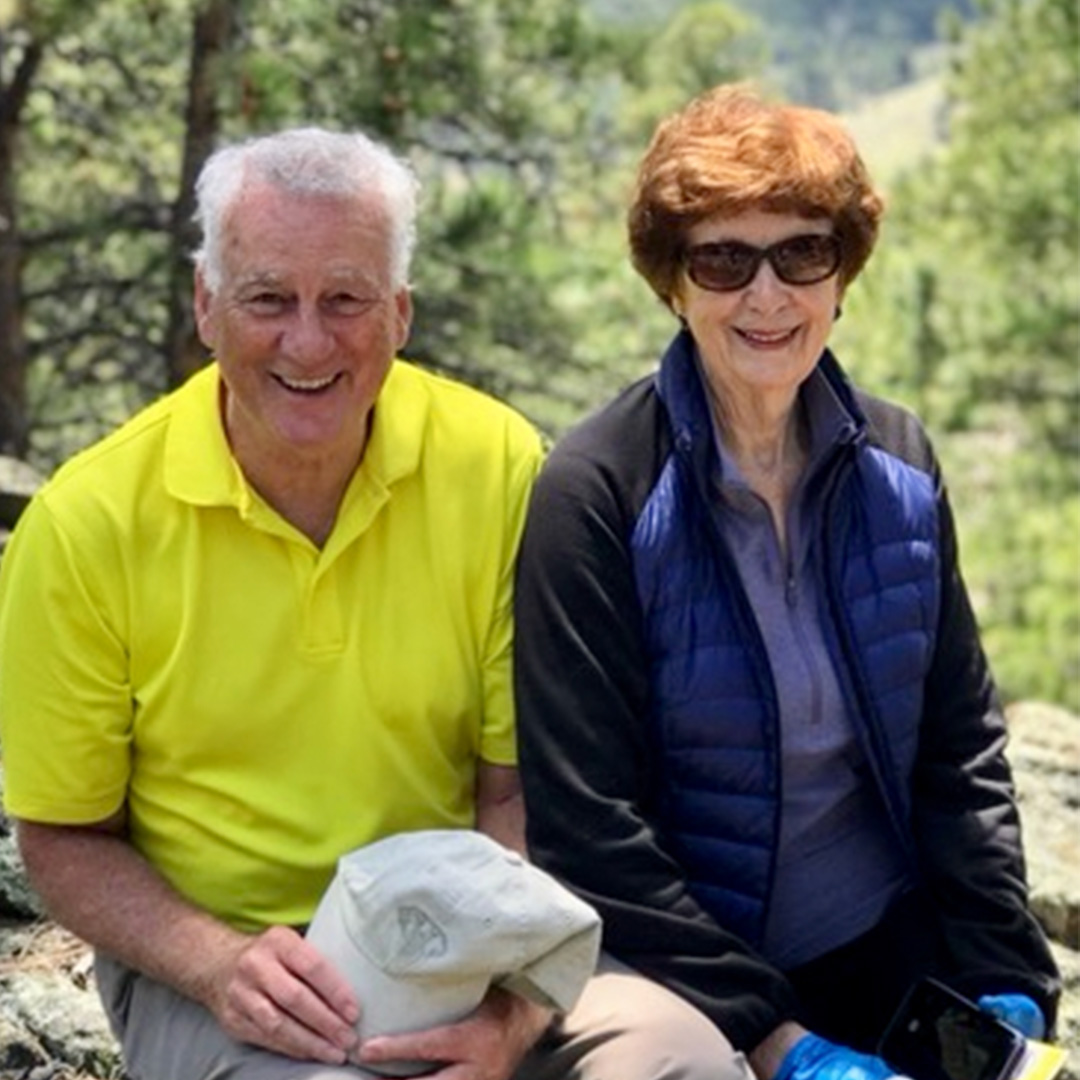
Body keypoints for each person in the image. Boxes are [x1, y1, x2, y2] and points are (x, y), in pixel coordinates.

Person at [0, 127, 741, 1080]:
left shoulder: (500, 467)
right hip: (229, 966)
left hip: (483, 936)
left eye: (345, 298)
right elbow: (61, 836)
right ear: (206, 305)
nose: (307, 341)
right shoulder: (87, 524)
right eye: (267, 298)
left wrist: (513, 1006)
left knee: (683, 1061)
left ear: (399, 312)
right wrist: (218, 964)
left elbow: (517, 791)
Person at [513, 83, 1061, 1080]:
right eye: (724, 259)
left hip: (886, 951)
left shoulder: (899, 461)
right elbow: (588, 824)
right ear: (672, 284)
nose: (766, 296)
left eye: (801, 253)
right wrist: (776, 1038)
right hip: (682, 975)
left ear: (841, 274)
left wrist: (1005, 976)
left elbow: (958, 750)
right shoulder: (594, 491)